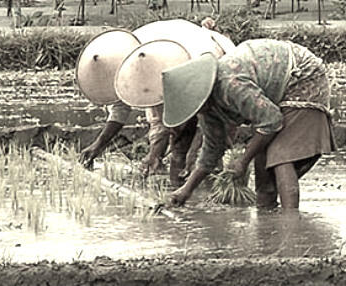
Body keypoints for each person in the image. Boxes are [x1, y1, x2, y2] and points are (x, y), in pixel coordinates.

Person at [158, 38, 336, 209]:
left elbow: (271, 121)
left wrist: (243, 161)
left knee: (280, 156)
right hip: (277, 97)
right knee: (263, 167)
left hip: (302, 78)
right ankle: (267, 219)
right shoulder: (207, 109)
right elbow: (212, 150)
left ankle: (290, 224)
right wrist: (186, 190)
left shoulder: (229, 84)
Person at [78, 19, 235, 187]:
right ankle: (185, 193)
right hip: (176, 72)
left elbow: (207, 115)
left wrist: (195, 152)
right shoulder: (128, 59)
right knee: (180, 151)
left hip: (209, 65)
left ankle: (204, 196)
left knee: (202, 152)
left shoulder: (171, 62)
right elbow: (125, 109)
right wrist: (98, 145)